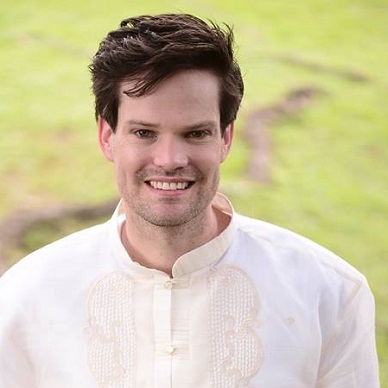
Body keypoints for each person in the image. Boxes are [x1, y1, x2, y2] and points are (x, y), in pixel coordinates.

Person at [0, 13, 380, 388]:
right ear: (107, 136)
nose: (169, 160)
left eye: (195, 133)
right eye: (144, 132)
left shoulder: (329, 295)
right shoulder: (24, 297)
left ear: (226, 138)